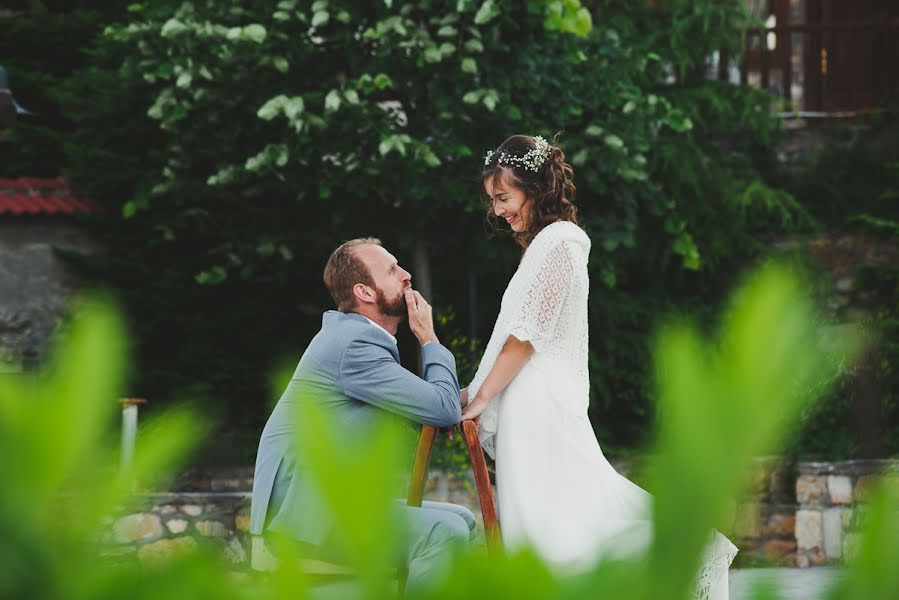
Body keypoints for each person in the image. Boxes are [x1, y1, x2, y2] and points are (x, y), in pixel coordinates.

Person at [460, 135, 738, 599]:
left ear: (535, 188)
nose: (498, 211)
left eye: (503, 198)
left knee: (567, 531)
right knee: (551, 529)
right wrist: (479, 391)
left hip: (538, 410)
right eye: (493, 201)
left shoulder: (562, 242)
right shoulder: (543, 246)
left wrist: (484, 394)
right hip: (527, 408)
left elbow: (526, 334)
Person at [250, 238, 475, 594]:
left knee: (462, 518)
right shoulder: (354, 346)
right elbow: (442, 407)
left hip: (323, 506)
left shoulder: (356, 340)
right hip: (305, 518)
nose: (406, 275)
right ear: (364, 292)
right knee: (443, 533)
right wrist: (428, 337)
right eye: (391, 270)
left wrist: (474, 400)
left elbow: (438, 404)